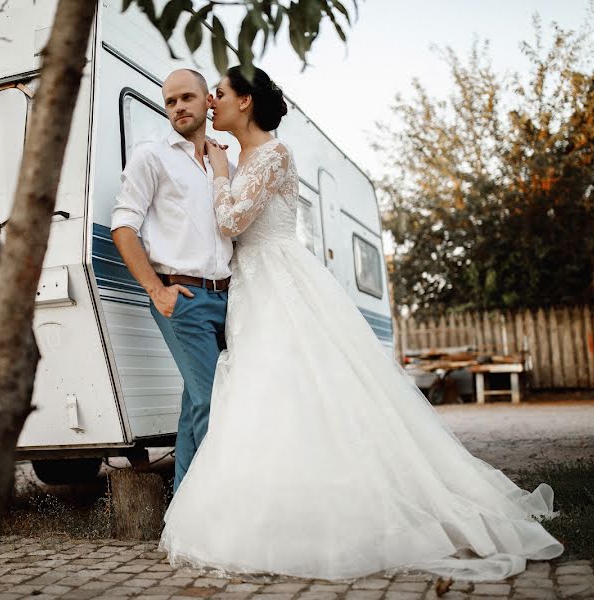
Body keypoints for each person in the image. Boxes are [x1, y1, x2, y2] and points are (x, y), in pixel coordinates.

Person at [158, 66, 564, 582]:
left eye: (219, 93)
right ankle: (288, 506)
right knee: (268, 396)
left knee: (296, 388)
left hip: (280, 284)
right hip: (252, 287)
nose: (211, 102)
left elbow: (232, 220)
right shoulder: (240, 156)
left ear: (246, 102)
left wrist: (217, 172)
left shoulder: (272, 154)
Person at [111, 69, 233, 492]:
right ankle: (214, 507)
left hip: (228, 299)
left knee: (193, 405)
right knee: (212, 402)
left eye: (186, 98)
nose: (178, 107)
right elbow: (123, 226)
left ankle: (182, 512)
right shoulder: (152, 156)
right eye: (170, 101)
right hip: (182, 297)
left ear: (206, 102)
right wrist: (156, 290)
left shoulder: (223, 164)